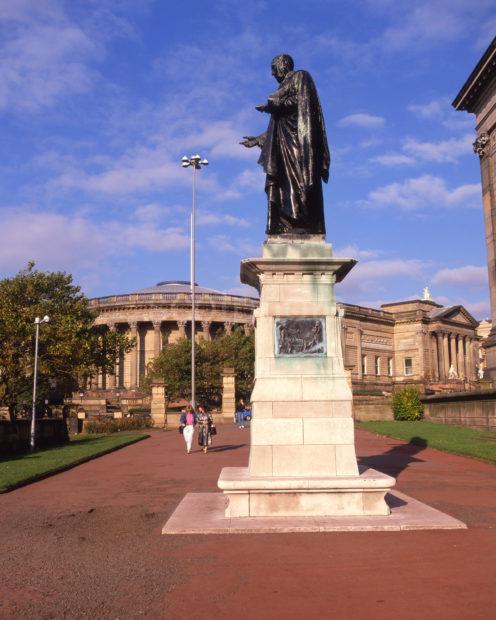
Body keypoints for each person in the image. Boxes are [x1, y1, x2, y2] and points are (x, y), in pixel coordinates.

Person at [241, 54, 330, 235]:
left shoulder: (300, 77)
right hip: (284, 148)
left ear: (283, 65)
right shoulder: (284, 89)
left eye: (274, 68)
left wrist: (273, 106)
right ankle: (286, 223)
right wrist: (259, 139)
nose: (273, 73)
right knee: (283, 187)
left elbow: (301, 102)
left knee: (301, 185)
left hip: (300, 147)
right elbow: (278, 129)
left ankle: (303, 223)